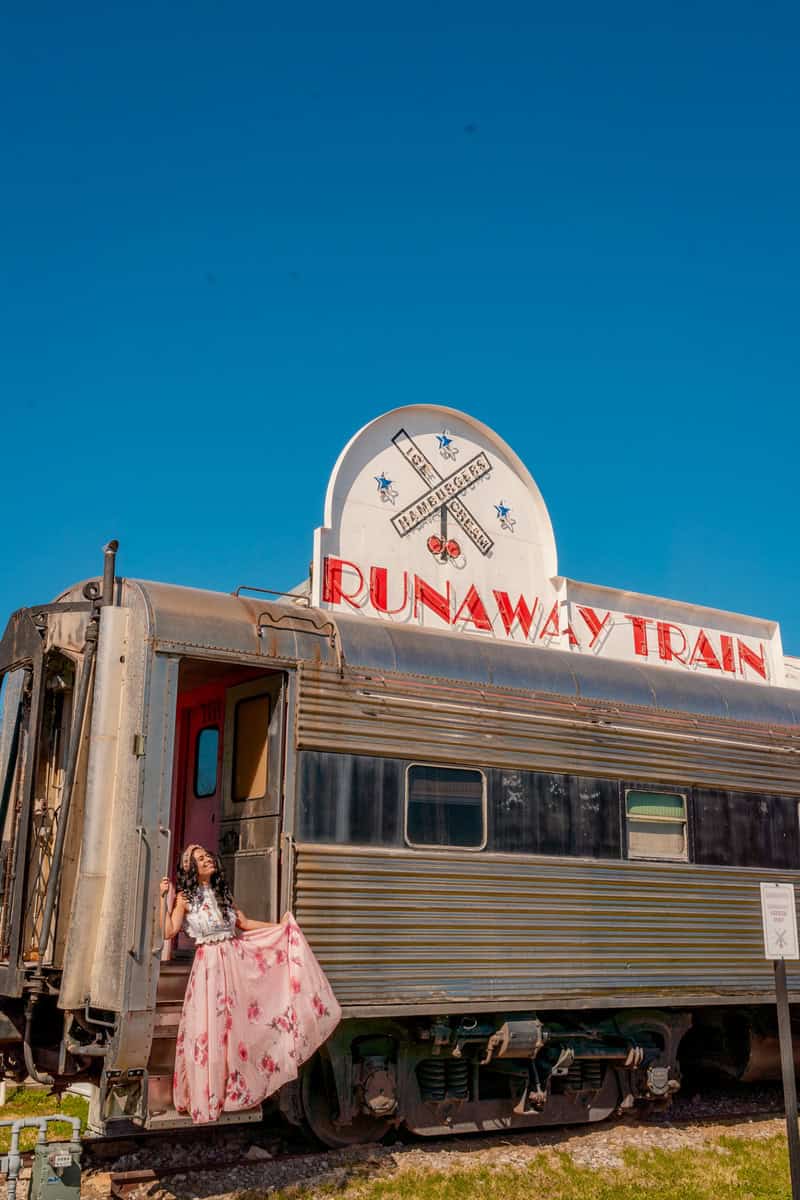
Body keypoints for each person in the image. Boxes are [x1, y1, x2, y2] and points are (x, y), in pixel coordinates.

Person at [159, 843, 341, 1124]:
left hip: (232, 965)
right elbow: (169, 930)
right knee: (209, 1030)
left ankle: (230, 1090)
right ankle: (207, 1095)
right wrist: (162, 899)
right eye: (200, 858)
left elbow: (243, 924)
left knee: (234, 1029)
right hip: (208, 968)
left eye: (207, 856)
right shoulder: (185, 898)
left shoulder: (222, 894)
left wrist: (281, 929)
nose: (207, 859)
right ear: (190, 867)